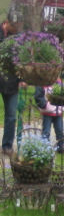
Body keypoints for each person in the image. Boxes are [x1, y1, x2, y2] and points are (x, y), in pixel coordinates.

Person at [1, 20, 20, 156]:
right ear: (6, 23)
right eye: (15, 26)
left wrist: (23, 78)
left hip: (12, 83)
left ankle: (7, 146)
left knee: (11, 116)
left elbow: (21, 59)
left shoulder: (17, 38)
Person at [34, 84, 64, 153]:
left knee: (60, 130)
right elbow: (38, 97)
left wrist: (63, 106)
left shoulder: (59, 83)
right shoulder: (42, 83)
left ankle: (61, 147)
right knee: (46, 131)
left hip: (58, 111)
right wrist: (45, 105)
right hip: (47, 112)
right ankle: (45, 148)